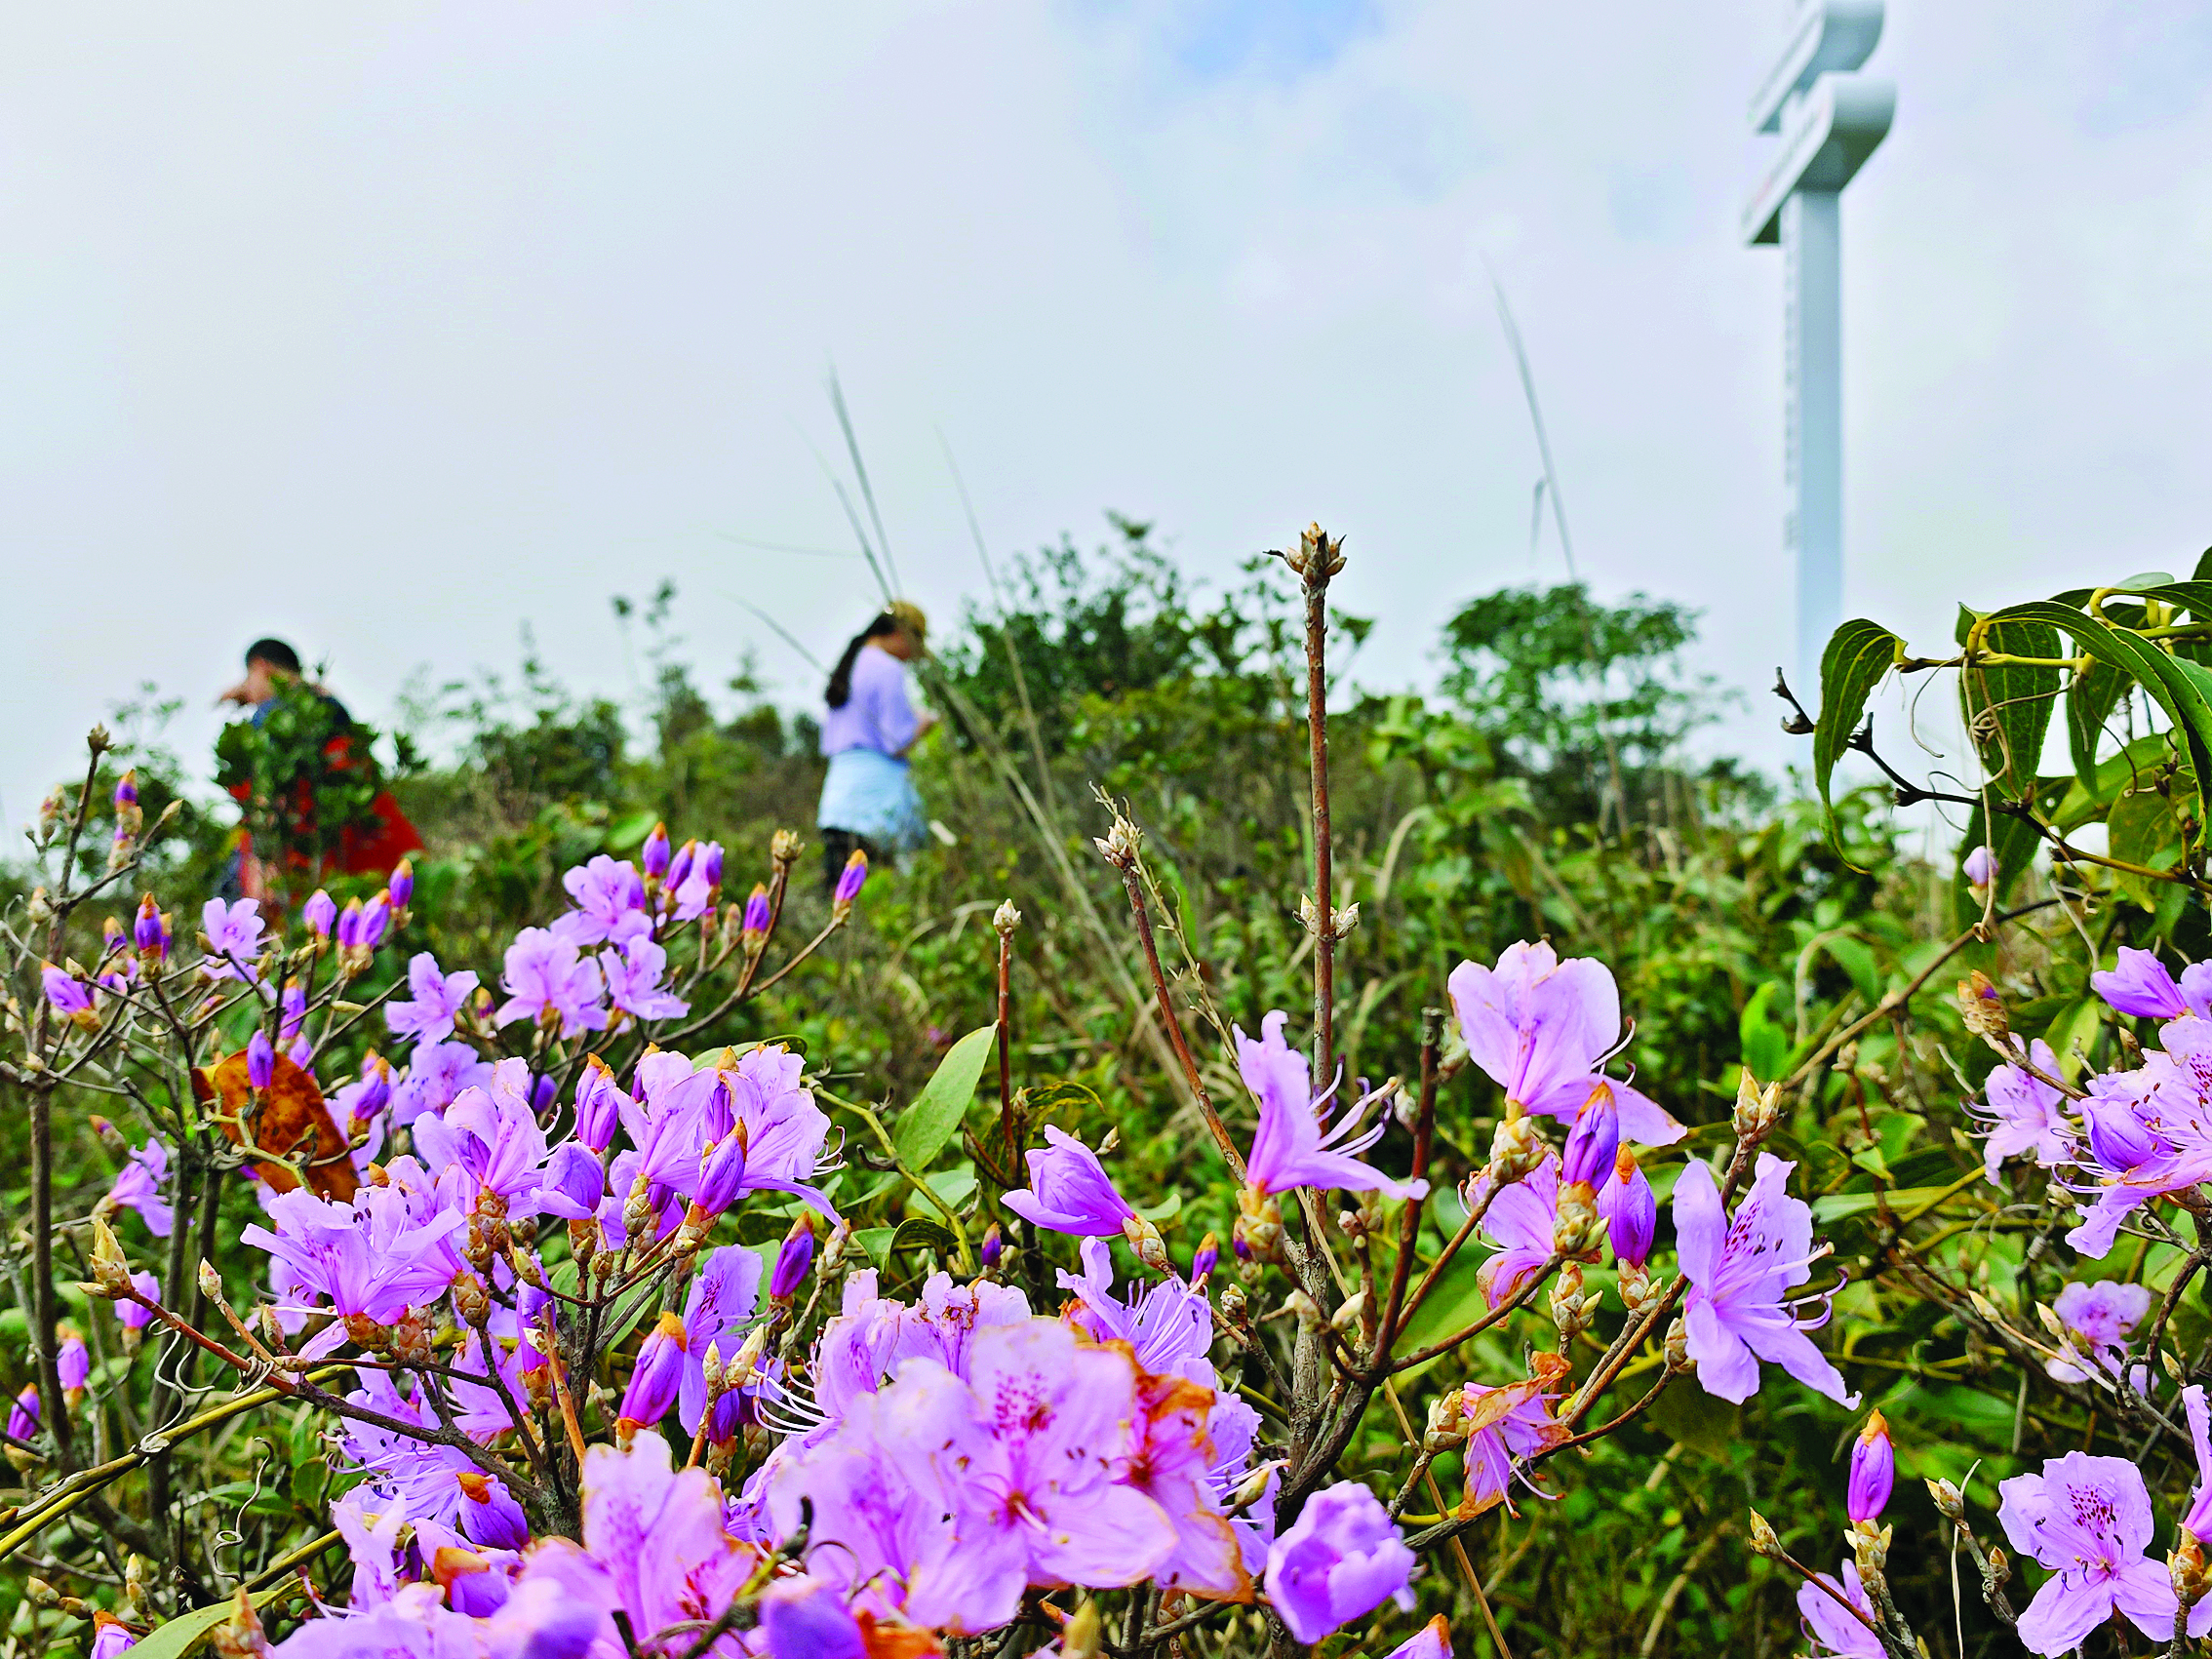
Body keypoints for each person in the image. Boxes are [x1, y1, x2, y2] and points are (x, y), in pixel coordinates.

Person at [217, 639, 423, 901]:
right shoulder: (328, 707)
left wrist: (261, 865)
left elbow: (264, 797)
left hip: (296, 861)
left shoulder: (271, 717)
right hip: (361, 858)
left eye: (249, 678)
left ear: (261, 666)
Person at [816, 603, 936, 889]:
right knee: (879, 896)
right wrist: (924, 722)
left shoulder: (849, 663)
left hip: (836, 802)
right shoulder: (888, 669)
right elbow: (897, 741)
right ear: (900, 634)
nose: (912, 657)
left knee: (838, 896)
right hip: (876, 807)